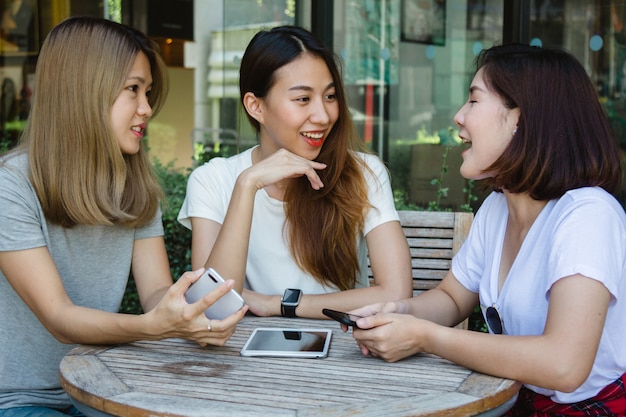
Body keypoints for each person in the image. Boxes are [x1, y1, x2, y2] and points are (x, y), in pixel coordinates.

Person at [346, 43, 626, 415]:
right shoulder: (497, 208)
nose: (459, 117)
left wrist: (424, 337)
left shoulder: (588, 215)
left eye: (474, 102)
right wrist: (397, 312)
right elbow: (450, 299)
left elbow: (565, 364)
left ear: (520, 120)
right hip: (516, 401)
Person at [0, 17, 246, 416]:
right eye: (133, 90)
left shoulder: (132, 185)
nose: (147, 108)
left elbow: (154, 294)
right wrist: (156, 326)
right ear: (82, 92)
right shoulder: (11, 186)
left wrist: (186, 315)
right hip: (24, 400)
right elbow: (60, 319)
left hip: (105, 387)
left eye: (147, 92)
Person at [178, 25, 413, 319]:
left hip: (346, 350)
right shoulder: (213, 180)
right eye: (303, 99)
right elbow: (210, 306)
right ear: (256, 106)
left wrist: (279, 304)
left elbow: (397, 292)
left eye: (329, 97)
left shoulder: (363, 172)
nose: (323, 115)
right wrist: (248, 185)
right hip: (240, 354)